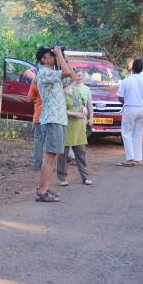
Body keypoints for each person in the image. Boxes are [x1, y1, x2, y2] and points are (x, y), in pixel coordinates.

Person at [35, 46, 76, 202]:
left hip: (58, 118)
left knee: (52, 156)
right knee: (50, 156)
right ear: (43, 59)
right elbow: (65, 73)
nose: (53, 56)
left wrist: (62, 57)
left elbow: (71, 76)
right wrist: (59, 54)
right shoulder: (44, 72)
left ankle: (44, 188)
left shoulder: (53, 73)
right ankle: (42, 191)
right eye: (50, 55)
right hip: (52, 119)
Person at [116, 59, 143, 166]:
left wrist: (127, 101)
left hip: (130, 108)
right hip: (142, 109)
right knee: (138, 134)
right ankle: (138, 158)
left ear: (132, 68)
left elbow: (120, 97)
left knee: (126, 133)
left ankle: (130, 159)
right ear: (141, 69)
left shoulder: (127, 80)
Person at [56, 82, 93, 186]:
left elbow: (82, 103)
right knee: (63, 154)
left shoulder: (76, 90)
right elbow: (61, 110)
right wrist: (75, 114)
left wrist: (83, 110)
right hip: (66, 126)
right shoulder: (60, 93)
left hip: (79, 126)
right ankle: (62, 178)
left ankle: (85, 177)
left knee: (81, 153)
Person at [28, 76, 44, 171]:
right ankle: (48, 164)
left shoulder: (36, 85)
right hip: (52, 116)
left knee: (38, 141)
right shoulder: (52, 83)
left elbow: (29, 99)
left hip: (39, 116)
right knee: (50, 142)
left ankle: (36, 165)